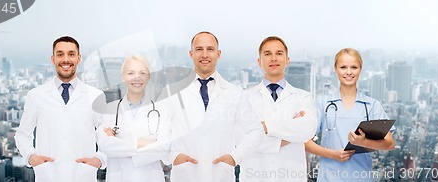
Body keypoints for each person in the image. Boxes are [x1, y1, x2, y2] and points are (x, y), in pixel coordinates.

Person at [165, 31, 264, 182]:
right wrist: (173, 156)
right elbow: (159, 133)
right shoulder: (173, 93)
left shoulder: (235, 93)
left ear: (218, 54)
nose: (205, 54)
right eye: (199, 49)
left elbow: (255, 131)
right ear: (191, 54)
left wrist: (234, 157)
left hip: (220, 175)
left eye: (210, 49)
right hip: (185, 175)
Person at [14, 36, 106, 182]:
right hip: (48, 176)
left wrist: (100, 159)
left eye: (71, 54)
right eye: (60, 54)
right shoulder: (36, 95)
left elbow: (108, 136)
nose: (66, 60)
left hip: (83, 176)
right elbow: (22, 134)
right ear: (53, 59)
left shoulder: (95, 96)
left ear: (79, 58)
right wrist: (31, 157)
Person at [305, 48, 395, 181]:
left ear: (360, 69)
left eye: (354, 67)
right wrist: (333, 154)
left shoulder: (371, 106)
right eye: (343, 67)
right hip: (329, 178)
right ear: (335, 69)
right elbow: (304, 141)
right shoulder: (322, 104)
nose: (348, 72)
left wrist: (365, 142)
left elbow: (389, 144)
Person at [241, 36, 318, 182]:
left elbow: (308, 129)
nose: (274, 58)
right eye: (267, 54)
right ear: (259, 61)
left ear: (287, 60)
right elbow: (242, 139)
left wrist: (265, 127)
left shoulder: (303, 97)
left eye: (279, 53)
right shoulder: (245, 98)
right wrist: (291, 133)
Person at [96, 55, 171, 182]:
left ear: (149, 77)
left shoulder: (161, 111)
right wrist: (141, 143)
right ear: (123, 77)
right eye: (131, 73)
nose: (137, 78)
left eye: (142, 73)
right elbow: (105, 146)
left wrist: (119, 145)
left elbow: (164, 148)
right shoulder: (109, 111)